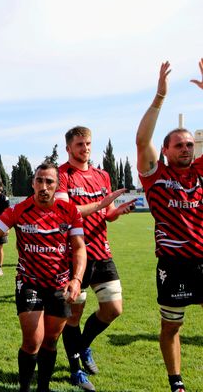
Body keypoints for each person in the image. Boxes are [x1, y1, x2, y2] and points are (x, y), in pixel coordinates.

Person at [0, 162, 87, 392]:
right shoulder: (18, 210)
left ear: (57, 185)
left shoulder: (70, 212)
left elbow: (79, 248)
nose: (44, 186)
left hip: (59, 284)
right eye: (39, 180)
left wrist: (77, 279)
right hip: (29, 282)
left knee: (51, 340)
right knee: (33, 341)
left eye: (49, 181)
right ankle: (24, 388)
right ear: (32, 183)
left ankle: (43, 387)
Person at [135, 60, 203, 392]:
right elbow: (140, 140)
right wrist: (160, 97)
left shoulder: (200, 171)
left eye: (190, 144)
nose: (187, 149)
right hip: (174, 265)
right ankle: (176, 383)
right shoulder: (156, 176)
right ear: (165, 150)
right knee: (172, 326)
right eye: (179, 145)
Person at [56, 126, 136, 391]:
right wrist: (101, 207)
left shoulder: (102, 175)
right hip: (73, 255)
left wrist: (117, 211)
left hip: (101, 251)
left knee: (114, 308)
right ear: (69, 148)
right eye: (79, 144)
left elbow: (108, 213)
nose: (85, 148)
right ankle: (76, 371)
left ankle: (83, 346)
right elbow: (67, 212)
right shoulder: (61, 175)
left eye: (88, 143)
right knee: (73, 316)